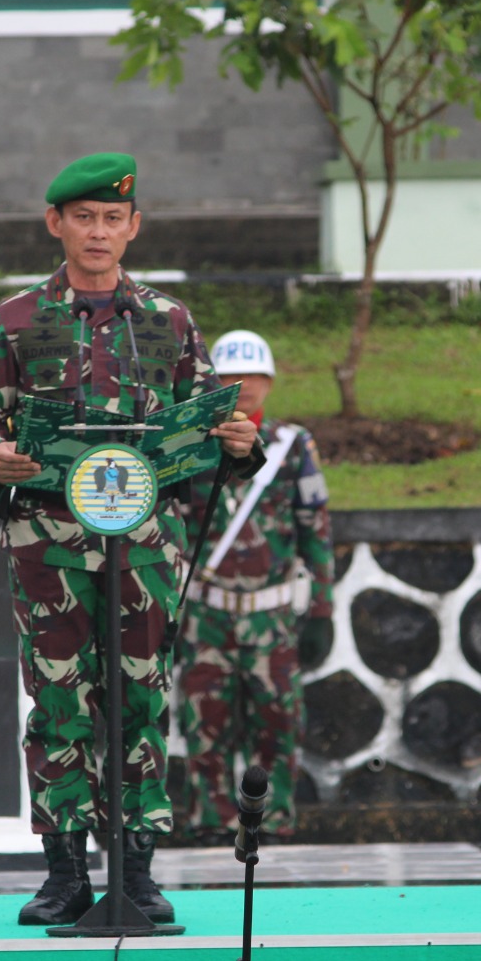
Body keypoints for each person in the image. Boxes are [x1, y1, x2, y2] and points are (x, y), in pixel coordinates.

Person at [0, 152, 259, 927]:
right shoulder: (16, 320)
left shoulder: (169, 320)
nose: (98, 232)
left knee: (140, 695)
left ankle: (138, 871)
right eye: (83, 218)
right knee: (59, 698)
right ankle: (65, 872)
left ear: (133, 228)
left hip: (146, 545)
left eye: (112, 219)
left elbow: (205, 419)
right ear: (56, 224)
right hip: (49, 540)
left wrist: (237, 440)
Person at [176, 330, 334, 843]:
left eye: (255, 376)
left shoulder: (292, 445)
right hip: (206, 611)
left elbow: (316, 526)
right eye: (229, 377)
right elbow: (172, 526)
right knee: (205, 721)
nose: (243, 387)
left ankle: (274, 819)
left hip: (272, 614)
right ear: (211, 382)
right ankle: (210, 820)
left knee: (277, 723)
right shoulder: (192, 446)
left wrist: (323, 610)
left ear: (271, 381)